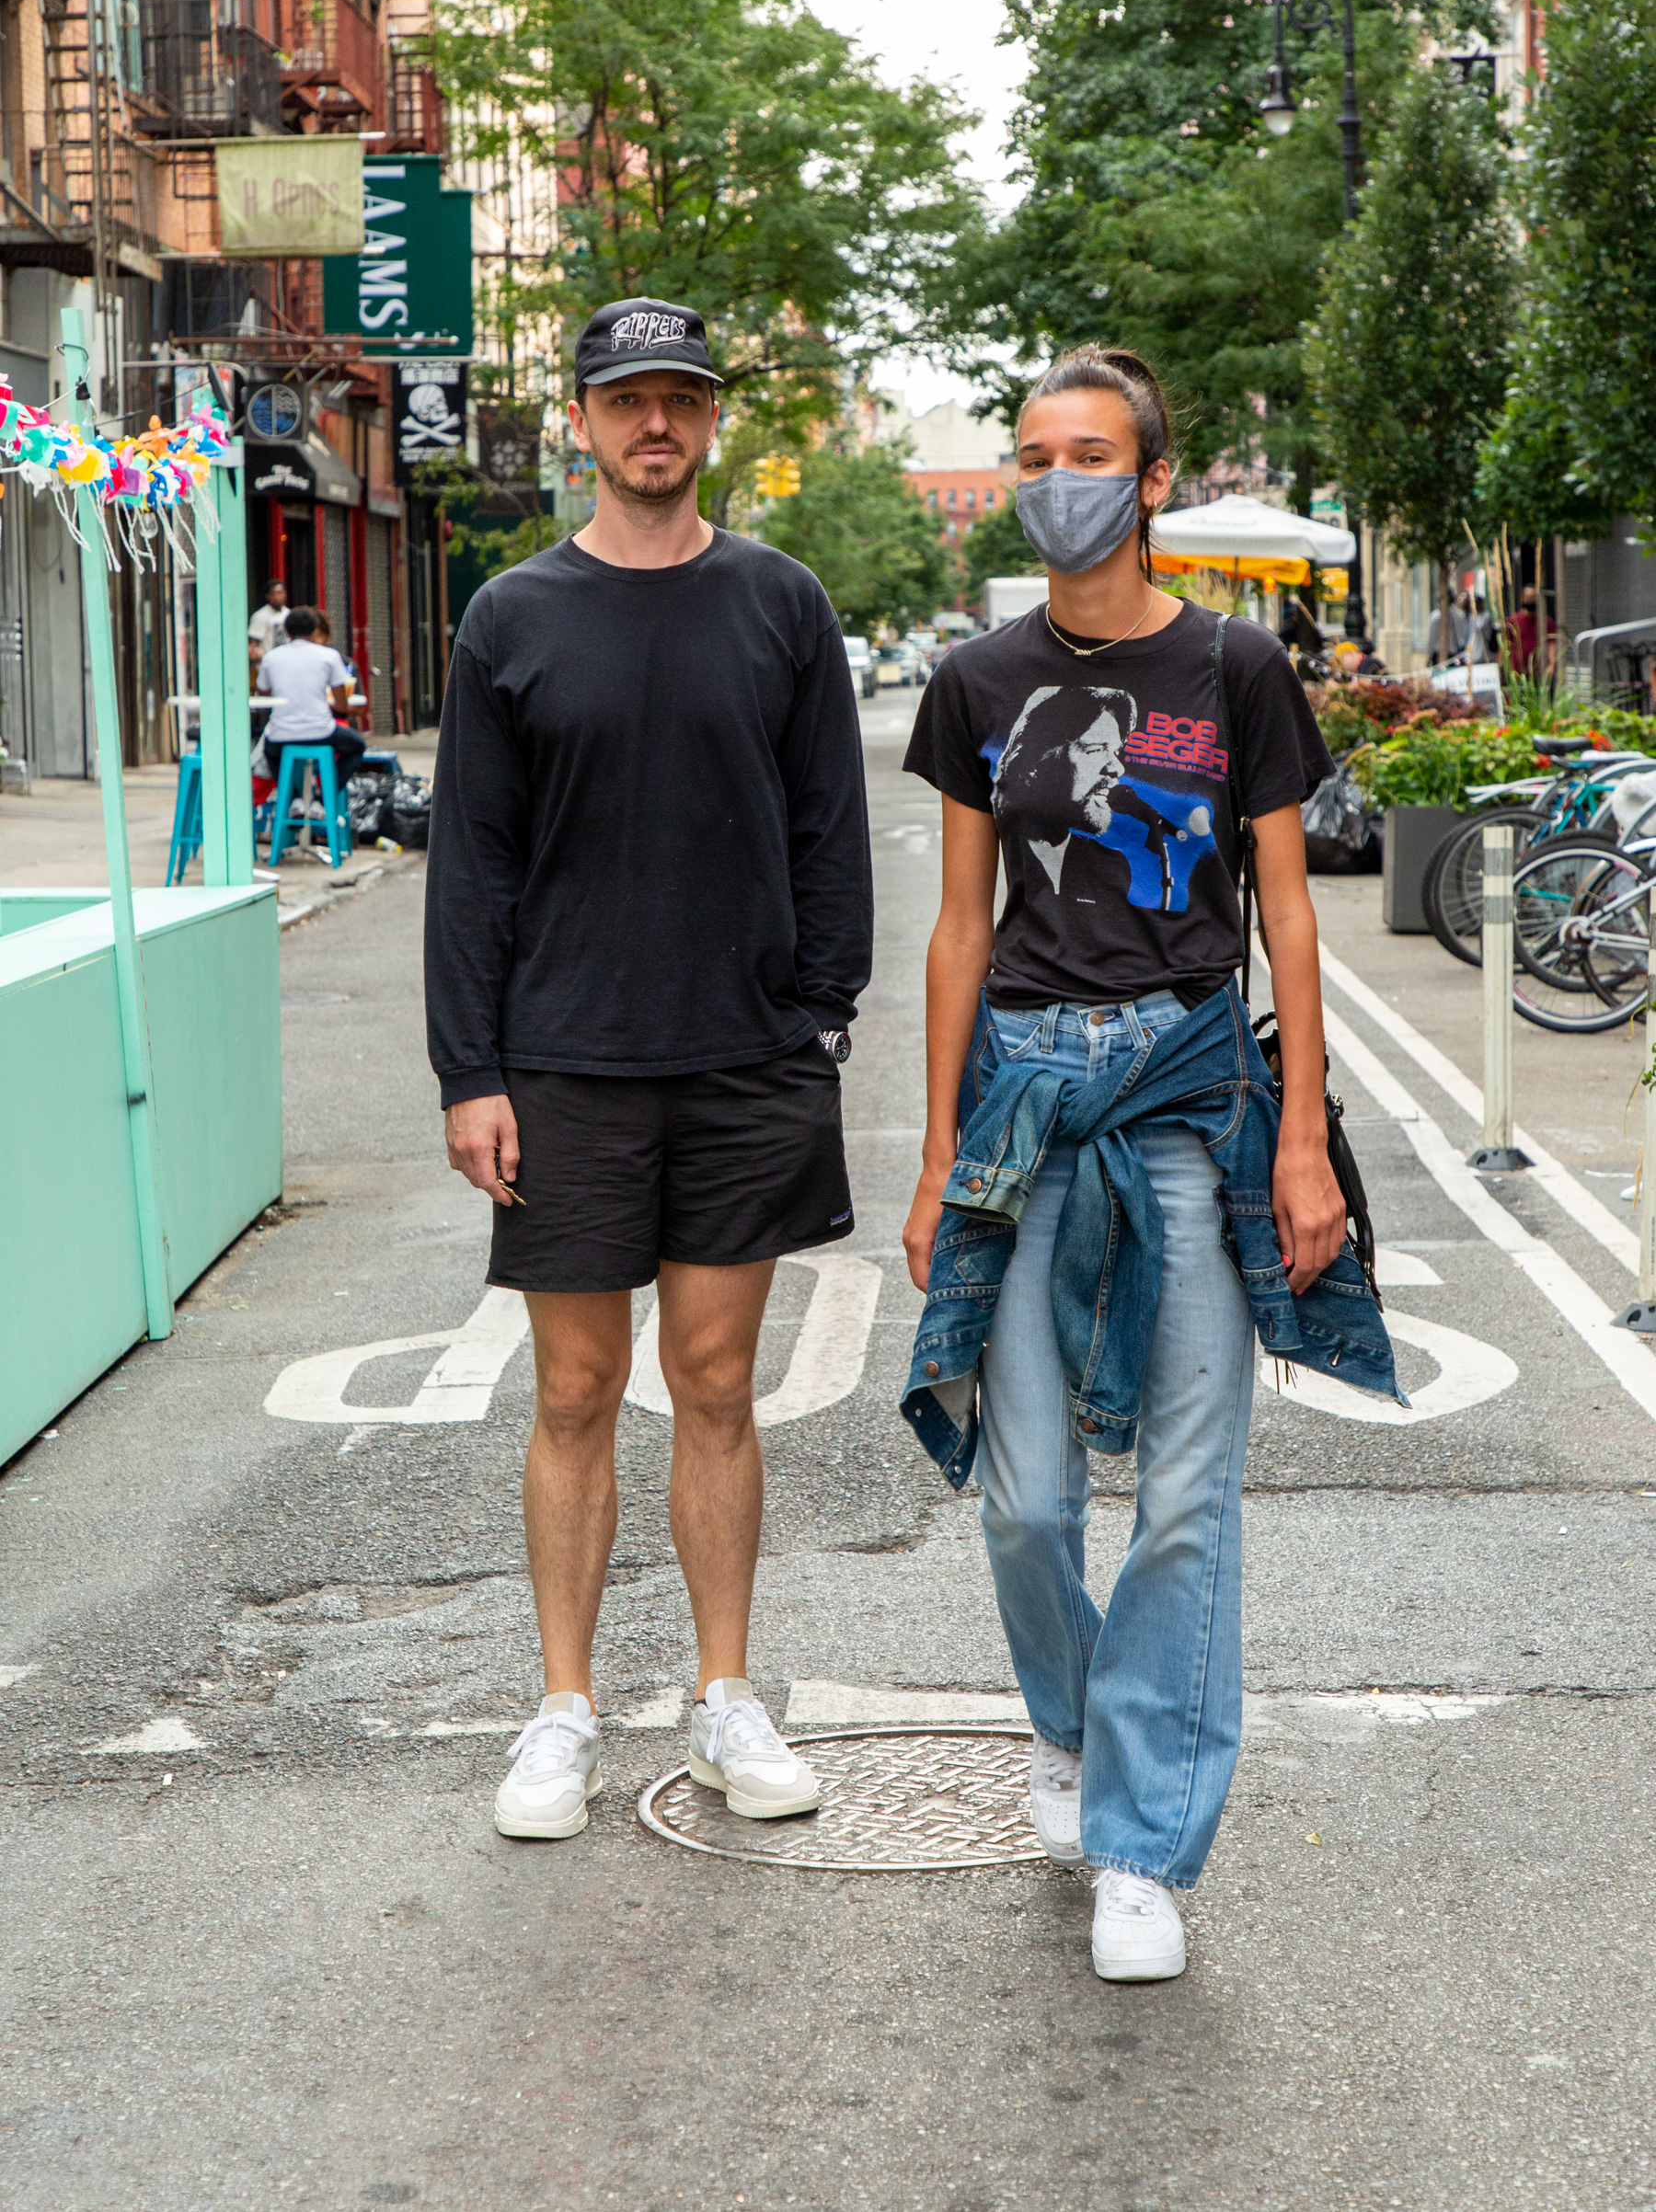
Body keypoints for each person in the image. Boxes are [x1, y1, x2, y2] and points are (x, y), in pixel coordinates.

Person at [899, 344, 1396, 1984]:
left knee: (1186, 1497)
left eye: (1091, 451)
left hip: (1191, 1095)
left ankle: (1144, 1843)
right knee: (1026, 1498)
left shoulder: (1236, 668)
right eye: (1035, 451)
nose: (1060, 476)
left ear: (1154, 479)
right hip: (1027, 1106)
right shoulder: (976, 682)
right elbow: (960, 932)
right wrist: (930, 1156)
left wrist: (1305, 1140)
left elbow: (1292, 920)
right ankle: (1069, 1726)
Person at [426, 295, 873, 1843]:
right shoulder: (511, 618)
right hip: (564, 1067)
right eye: (627, 400)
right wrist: (468, 1072)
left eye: (680, 396)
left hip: (745, 1062)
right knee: (571, 1387)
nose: (655, 423)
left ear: (710, 417)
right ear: (584, 420)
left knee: (716, 1385)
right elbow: (471, 869)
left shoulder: (781, 604)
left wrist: (820, 1017)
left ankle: (727, 1692)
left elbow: (832, 828)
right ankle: (561, 1708)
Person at [257, 606, 367, 777]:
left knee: (270, 752)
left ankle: (292, 797)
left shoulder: (270, 657)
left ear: (286, 631)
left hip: (280, 736)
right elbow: (341, 705)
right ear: (315, 630)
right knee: (357, 745)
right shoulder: (329, 656)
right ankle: (323, 798)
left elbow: (264, 697)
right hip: (321, 733)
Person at [247, 578, 290, 660]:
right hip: (269, 662)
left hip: (287, 661)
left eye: (280, 593)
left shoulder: (289, 614)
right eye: (273, 594)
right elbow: (253, 643)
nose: (277, 597)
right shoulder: (261, 616)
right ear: (267, 596)